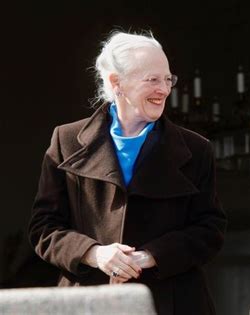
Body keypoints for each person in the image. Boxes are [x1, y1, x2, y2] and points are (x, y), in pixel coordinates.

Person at [28, 31, 227, 315]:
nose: (164, 89)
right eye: (152, 80)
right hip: (89, 302)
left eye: (167, 79)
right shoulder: (66, 140)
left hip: (172, 303)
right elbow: (43, 228)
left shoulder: (196, 149)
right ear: (116, 82)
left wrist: (150, 257)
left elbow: (210, 229)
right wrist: (95, 254)